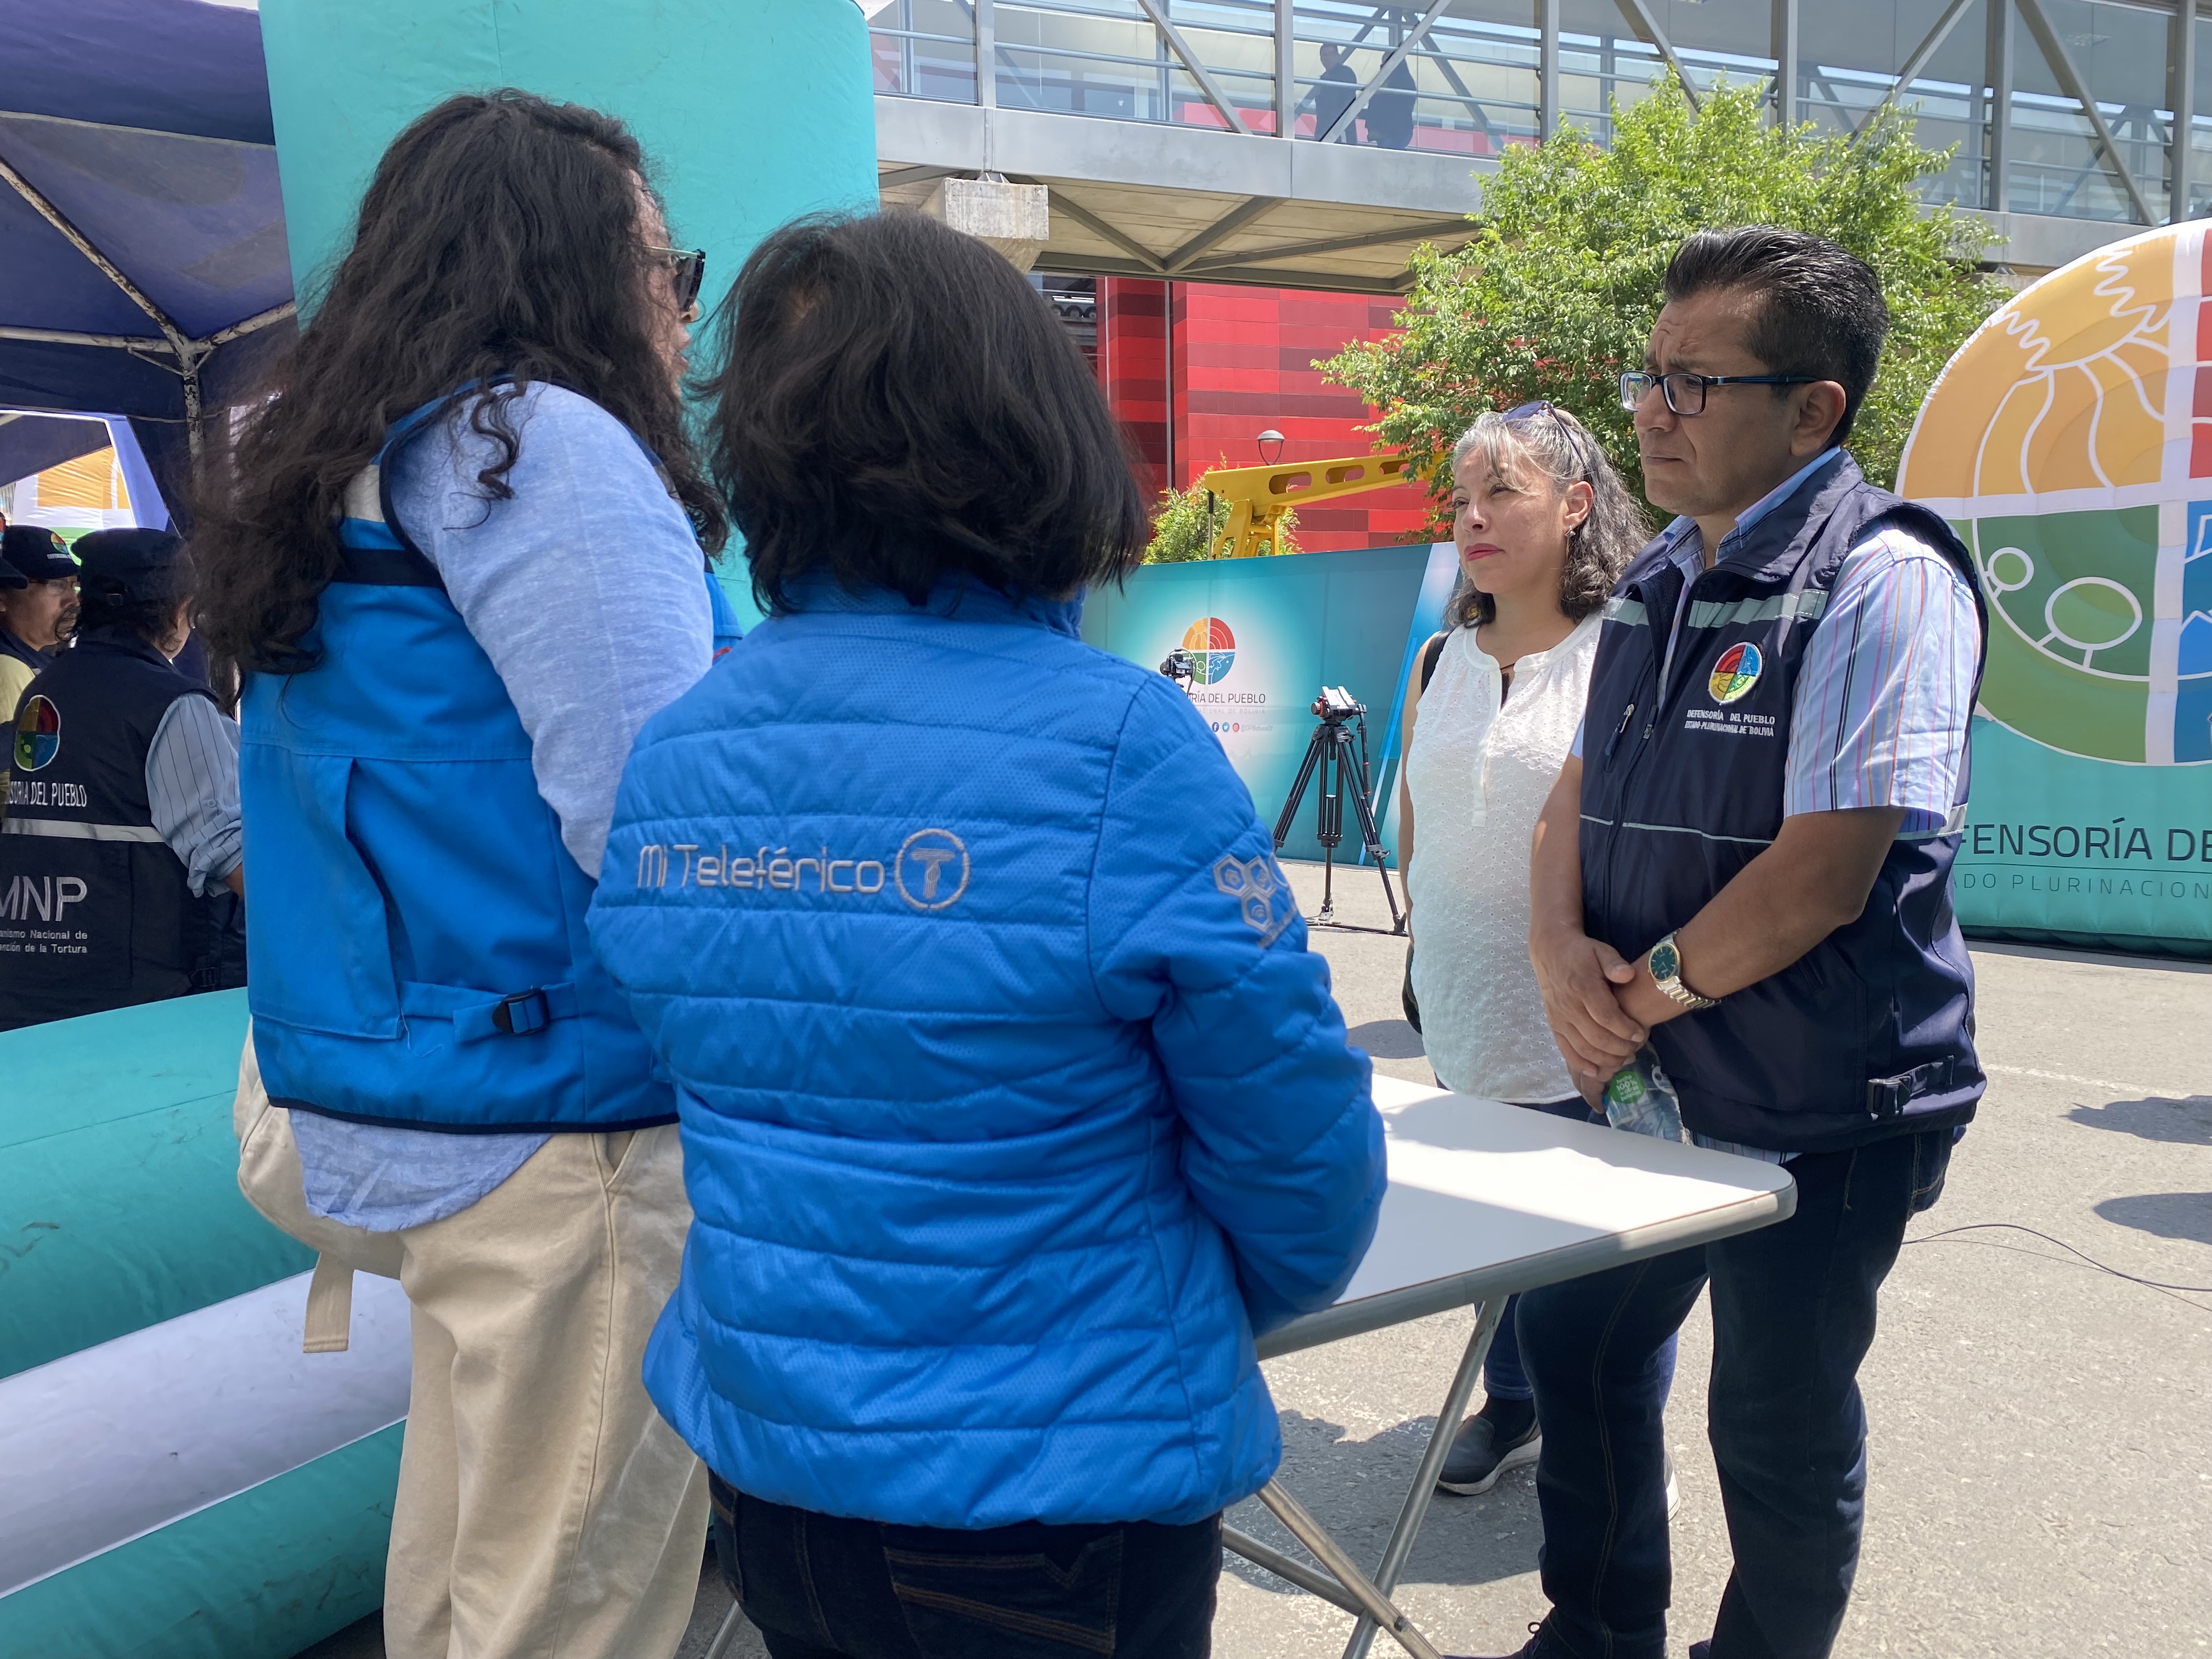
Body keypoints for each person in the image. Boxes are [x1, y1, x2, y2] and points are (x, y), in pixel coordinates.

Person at [587, 208, 1387, 1659]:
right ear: (1035, 430)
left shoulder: (681, 751)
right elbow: (1298, 1152)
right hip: (1058, 1489)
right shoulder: (1118, 745)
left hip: (777, 1465)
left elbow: (701, 1065)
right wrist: (1184, 1313)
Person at [194, 91, 732, 1659]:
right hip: (561, 1124)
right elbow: (661, 828)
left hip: (370, 1088)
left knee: (460, 1566)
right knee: (571, 1602)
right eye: (655, 260)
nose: (674, 301)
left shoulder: (347, 459)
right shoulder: (544, 450)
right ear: (563, 264)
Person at [1489, 227, 1985, 1659]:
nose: (1651, 409)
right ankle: (1598, 1632)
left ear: (1814, 409)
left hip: (1827, 1101)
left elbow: (1825, 876)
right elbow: (1575, 793)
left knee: (1770, 1417)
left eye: (1694, 384)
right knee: (1580, 1347)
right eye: (1651, 376)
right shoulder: (1655, 582)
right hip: (1649, 1076)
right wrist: (1553, 956)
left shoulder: (1885, 580)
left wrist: (1632, 996)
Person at [1396, 402, 1662, 1500]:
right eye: (1462, 499)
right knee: (1492, 1236)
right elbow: (1420, 827)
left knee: (1604, 1252)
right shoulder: (1436, 661)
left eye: (1501, 492)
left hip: (1581, 1019)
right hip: (1462, 1002)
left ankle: (1619, 1441)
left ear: (1578, 505)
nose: (1473, 518)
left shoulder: (1630, 657)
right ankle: (1512, 1409)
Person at [0, 528, 244, 1029]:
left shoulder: (43, 691)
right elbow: (228, 852)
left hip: (34, 983)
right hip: (148, 997)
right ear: (178, 610)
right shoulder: (173, 706)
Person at [1, 523, 80, 717]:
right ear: (2, 598)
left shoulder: (36, 657)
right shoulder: (7, 669)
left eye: (74, 586)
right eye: (57, 585)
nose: (73, 600)